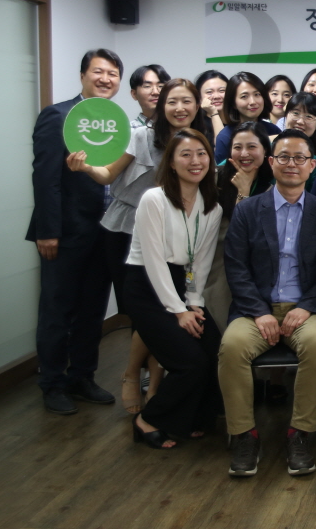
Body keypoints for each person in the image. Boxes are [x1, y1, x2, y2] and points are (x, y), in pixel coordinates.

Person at [66, 78, 204, 412]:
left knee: (165, 311)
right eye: (172, 102)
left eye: (187, 101)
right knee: (143, 310)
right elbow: (108, 175)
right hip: (126, 229)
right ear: (161, 105)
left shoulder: (199, 141)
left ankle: (152, 385)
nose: (180, 108)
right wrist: (85, 167)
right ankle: (134, 376)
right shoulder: (142, 136)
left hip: (172, 232)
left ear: (197, 105)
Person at [219, 129, 316, 477]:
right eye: (284, 157)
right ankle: (244, 435)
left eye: (300, 158)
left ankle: (299, 434)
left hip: (306, 309)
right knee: (231, 347)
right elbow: (236, 267)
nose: (291, 164)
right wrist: (259, 312)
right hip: (255, 310)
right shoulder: (247, 210)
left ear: (312, 165)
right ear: (271, 162)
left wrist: (307, 306)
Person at [27, 48, 122, 415]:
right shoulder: (58, 116)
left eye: (112, 73)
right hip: (64, 234)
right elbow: (45, 178)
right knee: (57, 309)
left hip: (104, 232)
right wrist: (47, 231)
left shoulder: (116, 122)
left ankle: (82, 376)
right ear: (83, 75)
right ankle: (52, 382)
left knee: (92, 309)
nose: (105, 79)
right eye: (99, 71)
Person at [123, 129, 223, 448]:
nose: (195, 161)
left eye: (202, 154)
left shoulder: (212, 207)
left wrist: (193, 302)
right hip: (146, 286)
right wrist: (179, 311)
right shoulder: (154, 199)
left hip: (182, 284)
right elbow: (154, 261)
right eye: (186, 154)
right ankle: (148, 419)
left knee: (214, 348)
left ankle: (191, 417)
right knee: (189, 361)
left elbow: (200, 261)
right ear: (171, 162)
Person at [206, 121, 276, 331]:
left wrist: (244, 193)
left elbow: (250, 236)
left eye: (252, 147)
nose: (244, 153)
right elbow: (233, 237)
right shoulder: (215, 178)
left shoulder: (272, 186)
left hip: (257, 263)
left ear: (265, 151)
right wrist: (242, 193)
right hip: (216, 259)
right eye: (237, 147)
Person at [214, 72, 280, 164]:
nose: (252, 102)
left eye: (257, 94)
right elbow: (221, 171)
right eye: (244, 96)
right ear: (233, 103)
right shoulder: (225, 137)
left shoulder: (273, 130)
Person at [281, 92, 316, 178]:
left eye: (309, 117)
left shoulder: (315, 160)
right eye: (295, 113)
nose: (300, 121)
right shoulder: (270, 146)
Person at [128, 64, 171, 128]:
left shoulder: (179, 127)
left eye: (161, 86)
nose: (155, 92)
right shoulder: (128, 130)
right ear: (134, 94)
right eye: (147, 86)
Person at [195, 70, 228, 143]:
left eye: (222, 90)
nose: (216, 96)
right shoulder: (196, 124)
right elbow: (221, 146)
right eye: (209, 92)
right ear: (199, 97)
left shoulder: (238, 121)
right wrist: (213, 113)